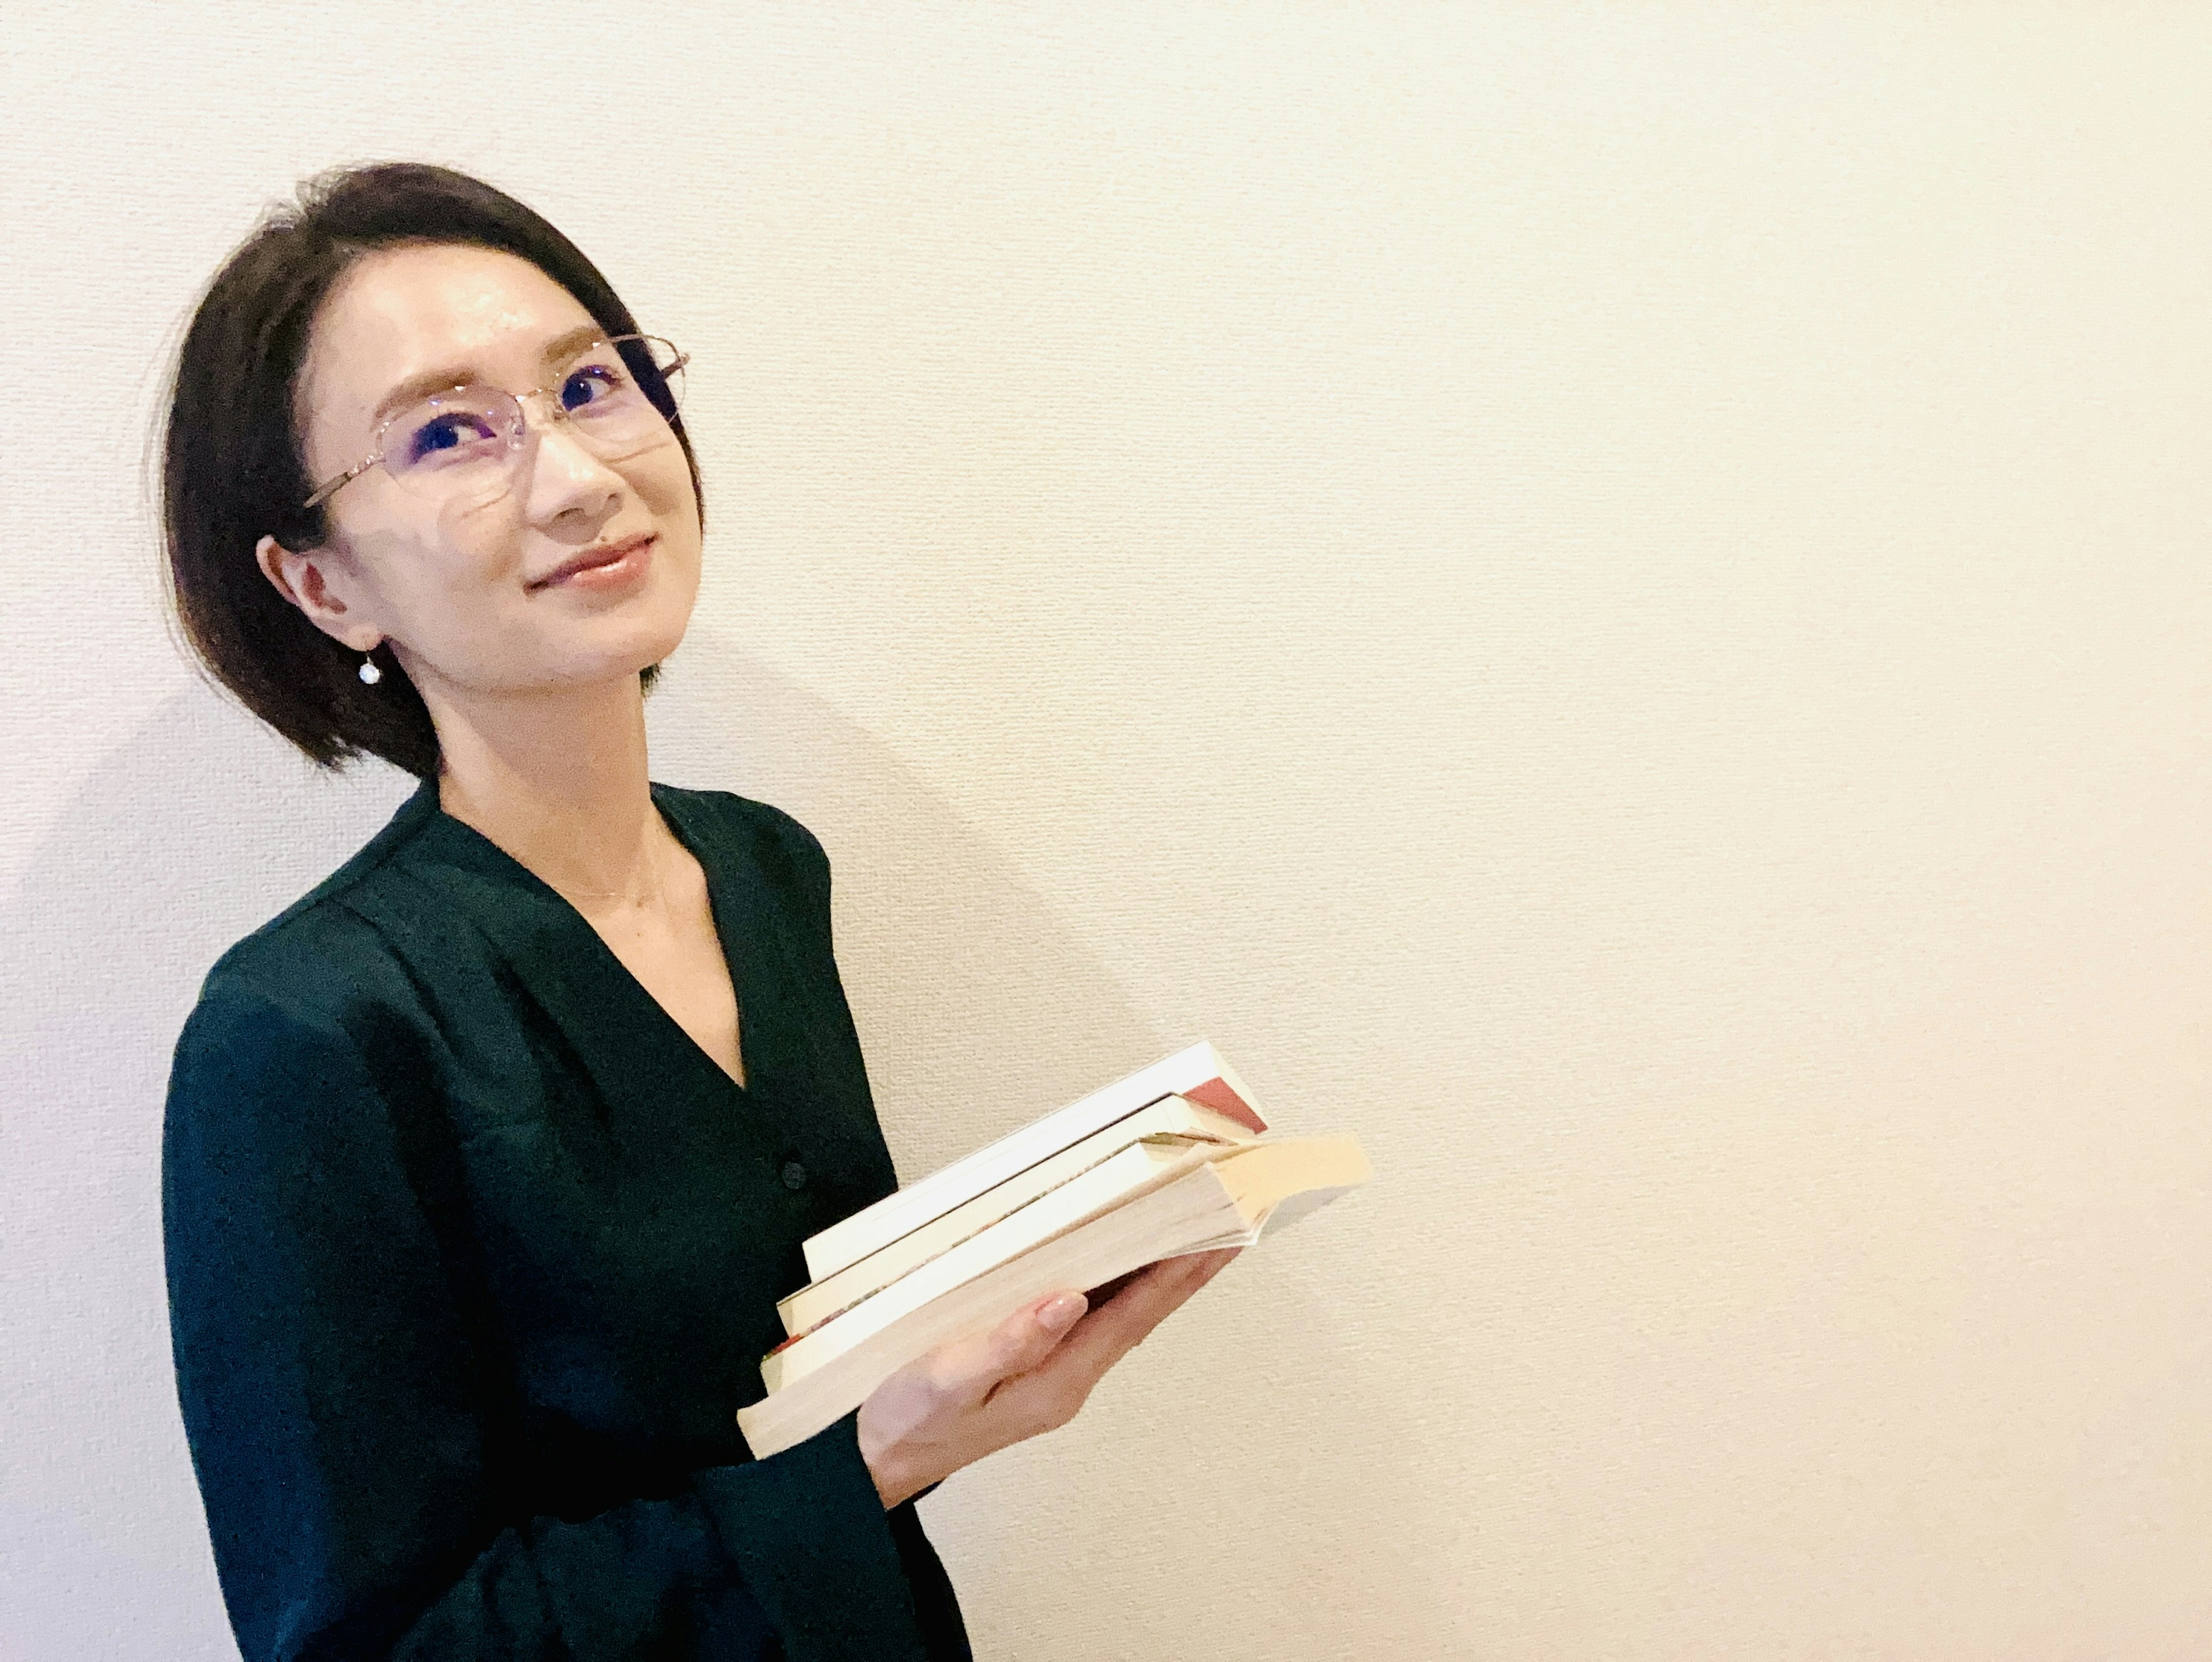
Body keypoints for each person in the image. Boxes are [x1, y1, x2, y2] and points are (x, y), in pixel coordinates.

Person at [158, 161, 1236, 1662]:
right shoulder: (303, 1032)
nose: (578, 476)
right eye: (450, 434)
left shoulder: (770, 871)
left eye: (592, 383)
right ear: (325, 585)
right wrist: (881, 1460)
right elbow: (367, 1646)